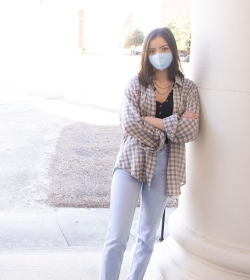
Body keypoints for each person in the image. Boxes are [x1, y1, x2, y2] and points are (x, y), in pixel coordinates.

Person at [100, 27, 199, 280]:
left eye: (164, 48)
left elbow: (190, 131)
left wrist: (151, 120)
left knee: (147, 238)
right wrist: (170, 126)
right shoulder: (135, 84)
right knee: (117, 236)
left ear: (173, 51)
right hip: (131, 161)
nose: (158, 54)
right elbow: (130, 123)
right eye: (153, 50)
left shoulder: (187, 89)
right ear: (146, 54)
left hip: (167, 165)